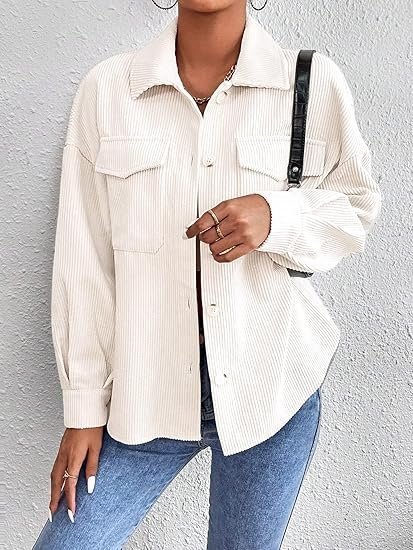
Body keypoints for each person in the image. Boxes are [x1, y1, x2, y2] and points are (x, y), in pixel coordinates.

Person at [32, 0, 382, 548]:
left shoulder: (309, 83)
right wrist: (82, 409)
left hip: (271, 392)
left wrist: (276, 217)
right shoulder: (108, 91)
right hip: (144, 392)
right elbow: (84, 261)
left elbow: (355, 211)